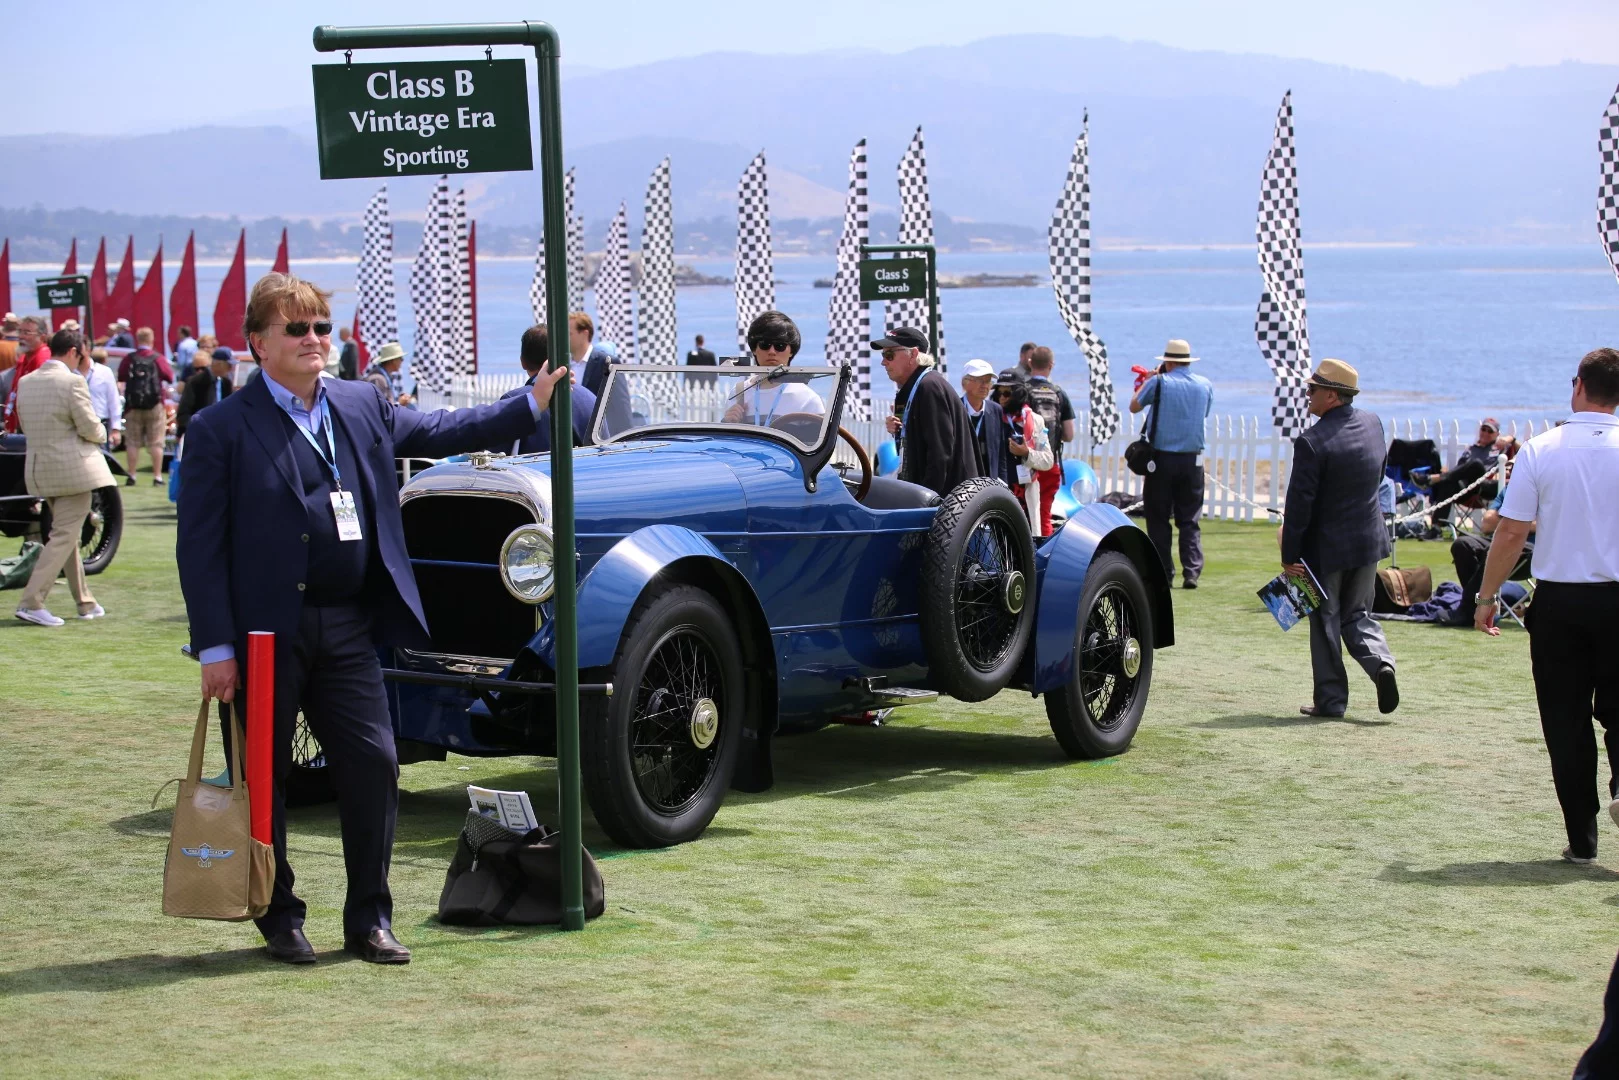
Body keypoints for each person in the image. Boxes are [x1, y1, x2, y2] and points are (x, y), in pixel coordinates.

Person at [177, 272, 566, 966]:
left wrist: (527, 403)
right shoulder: (219, 430)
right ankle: (279, 914)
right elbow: (199, 549)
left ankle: (369, 920)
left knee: (374, 764)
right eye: (296, 329)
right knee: (264, 781)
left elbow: (445, 428)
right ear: (259, 343)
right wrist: (215, 648)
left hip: (350, 625)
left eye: (322, 327)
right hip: (263, 640)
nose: (313, 340)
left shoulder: (360, 402)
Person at [1474, 347, 1619, 865]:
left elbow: (1511, 531)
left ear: (1577, 384)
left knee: (1566, 722)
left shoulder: (1541, 448)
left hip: (1560, 601)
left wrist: (1487, 597)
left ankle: (1582, 840)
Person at [1279, 358, 1399, 718]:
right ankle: (1382, 665)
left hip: (1326, 549)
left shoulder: (1312, 442)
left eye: (1312, 389)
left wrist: (1290, 555)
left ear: (1331, 396)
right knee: (1359, 614)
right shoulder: (1373, 424)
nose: (1307, 394)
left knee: (1326, 623)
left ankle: (1330, 701)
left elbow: (1298, 506)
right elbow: (1378, 475)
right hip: (1368, 540)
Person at [12, 330, 113, 626]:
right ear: (72, 351)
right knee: (63, 536)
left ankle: (85, 601)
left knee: (65, 535)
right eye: (81, 354)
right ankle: (32, 602)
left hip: (40, 469)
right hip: (73, 471)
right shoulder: (72, 381)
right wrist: (102, 433)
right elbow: (90, 426)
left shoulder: (26, 381)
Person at [1130, 338, 1214, 588]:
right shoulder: (1205, 384)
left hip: (1162, 458)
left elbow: (1134, 406)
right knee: (1190, 518)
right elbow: (1204, 413)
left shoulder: (1158, 382)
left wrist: (1150, 378)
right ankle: (1192, 571)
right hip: (1193, 460)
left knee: (1158, 518)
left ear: (1168, 361)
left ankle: (1164, 571)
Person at [874, 326, 977, 497]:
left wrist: (925, 499)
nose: (884, 362)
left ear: (913, 355)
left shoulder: (929, 387)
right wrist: (899, 430)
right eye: (883, 355)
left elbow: (940, 453)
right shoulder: (912, 388)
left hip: (950, 501)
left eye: (889, 355)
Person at [1449, 463, 1533, 626]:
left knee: (1495, 548)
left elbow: (1548, 524)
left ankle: (1468, 609)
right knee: (1462, 544)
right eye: (1510, 468)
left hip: (1532, 551)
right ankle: (1474, 606)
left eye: (1515, 467)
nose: (1510, 471)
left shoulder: (1544, 492)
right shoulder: (1509, 491)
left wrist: (1511, 521)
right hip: (1501, 543)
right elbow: (1487, 523)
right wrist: (1523, 520)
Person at [496, 324, 596, 454]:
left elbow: (496, 460)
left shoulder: (513, 401)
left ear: (523, 362)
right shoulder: (590, 398)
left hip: (534, 474)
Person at [722, 312, 824, 424]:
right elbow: (726, 440)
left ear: (791, 351)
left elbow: (816, 440)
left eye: (780, 346)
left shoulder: (807, 399)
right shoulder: (738, 393)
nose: (772, 352)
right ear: (754, 349)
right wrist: (727, 422)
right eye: (765, 345)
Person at [995, 368, 1057, 529]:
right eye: (999, 393)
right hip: (999, 491)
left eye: (1007, 393)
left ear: (1018, 393)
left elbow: (1048, 460)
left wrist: (1026, 453)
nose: (1002, 398)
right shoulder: (992, 417)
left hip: (1026, 494)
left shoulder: (1036, 421)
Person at [1024, 347, 1076, 538]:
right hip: (1049, 464)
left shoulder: (1023, 390)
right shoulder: (1059, 394)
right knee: (1044, 515)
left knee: (1022, 513)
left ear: (1030, 363)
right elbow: (1069, 434)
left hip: (1025, 464)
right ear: (1051, 366)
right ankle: (1042, 556)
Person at [117, 327, 174, 486]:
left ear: (137, 339)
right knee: (156, 442)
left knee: (132, 442)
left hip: (133, 406)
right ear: (151, 339)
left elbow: (121, 376)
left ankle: (132, 475)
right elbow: (169, 376)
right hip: (155, 405)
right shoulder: (157, 358)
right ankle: (157, 476)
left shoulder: (130, 358)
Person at [959, 358, 1010, 486]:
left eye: (988, 381)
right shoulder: (955, 409)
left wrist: (1003, 484)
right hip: (962, 483)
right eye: (979, 381)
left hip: (989, 482)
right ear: (965, 383)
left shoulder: (995, 410)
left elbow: (1000, 454)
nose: (985, 386)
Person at [2, 316, 53, 434]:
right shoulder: (25, 358)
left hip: (32, 429)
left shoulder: (43, 359)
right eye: (20, 331)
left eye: (27, 332)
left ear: (42, 337)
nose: (21, 336)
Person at [176, 348, 235, 436]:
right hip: (201, 432)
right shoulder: (196, 382)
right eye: (229, 365)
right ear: (219, 364)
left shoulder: (226, 383)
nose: (231, 369)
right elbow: (184, 412)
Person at [83, 347, 120, 449]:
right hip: (78, 424)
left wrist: (116, 428)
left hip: (101, 423)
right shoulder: (70, 372)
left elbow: (114, 400)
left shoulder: (105, 372)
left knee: (103, 459)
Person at [360, 342, 413, 406]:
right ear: (393, 360)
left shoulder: (382, 376)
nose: (402, 361)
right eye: (400, 358)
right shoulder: (378, 380)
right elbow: (378, 408)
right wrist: (399, 404)